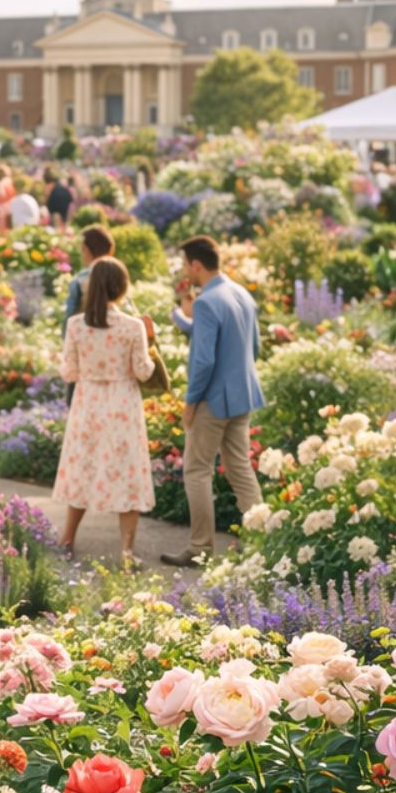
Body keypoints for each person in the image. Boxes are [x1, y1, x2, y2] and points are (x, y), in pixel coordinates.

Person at [162, 237, 264, 567]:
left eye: (184, 264)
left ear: (196, 265)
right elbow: (254, 348)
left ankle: (200, 548)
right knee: (239, 468)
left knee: (196, 471)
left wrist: (191, 402)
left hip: (212, 399)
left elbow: (204, 361)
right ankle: (265, 539)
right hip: (242, 394)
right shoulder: (241, 294)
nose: (183, 271)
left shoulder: (206, 302)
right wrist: (182, 318)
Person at [54, 257, 156, 565]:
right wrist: (150, 346)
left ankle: (67, 540)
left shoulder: (75, 325)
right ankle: (126, 553)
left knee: (82, 471)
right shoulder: (132, 327)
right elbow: (143, 372)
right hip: (122, 405)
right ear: (121, 287)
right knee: (127, 475)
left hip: (87, 405)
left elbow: (69, 373)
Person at [63, 225, 116, 334]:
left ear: (86, 249)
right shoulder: (118, 274)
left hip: (87, 338)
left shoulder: (80, 280)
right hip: (116, 338)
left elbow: (70, 315)